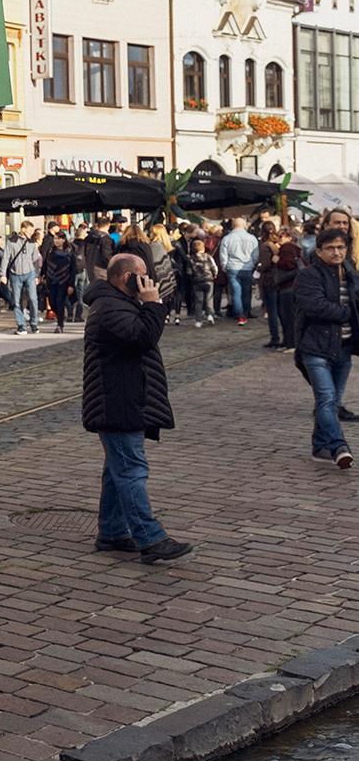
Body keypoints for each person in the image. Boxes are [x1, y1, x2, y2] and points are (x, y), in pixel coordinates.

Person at [81, 254, 193, 564]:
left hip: (125, 398)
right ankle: (151, 538)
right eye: (141, 275)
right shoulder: (109, 306)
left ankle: (112, 532)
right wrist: (154, 304)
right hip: (118, 401)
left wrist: (148, 305)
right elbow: (142, 337)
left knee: (117, 469)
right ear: (125, 277)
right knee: (131, 471)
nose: (147, 280)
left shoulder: (116, 302)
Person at [293, 228, 358, 469]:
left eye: (340, 247)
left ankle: (320, 447)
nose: (336, 252)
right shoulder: (309, 275)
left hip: (343, 348)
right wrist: (346, 314)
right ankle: (339, 446)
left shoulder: (350, 274)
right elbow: (314, 306)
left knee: (332, 401)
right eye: (330, 248)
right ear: (319, 251)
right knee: (327, 399)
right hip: (315, 347)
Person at [218, 217, 259, 326]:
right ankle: (246, 311)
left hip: (232, 267)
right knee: (247, 291)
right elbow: (255, 255)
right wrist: (252, 264)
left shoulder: (227, 238)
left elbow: (223, 255)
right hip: (247, 267)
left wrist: (224, 266)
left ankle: (239, 314)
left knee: (236, 292)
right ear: (244, 225)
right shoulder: (252, 238)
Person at [4, 223, 41, 334]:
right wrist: (2, 274)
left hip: (30, 273)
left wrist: (37, 275)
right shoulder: (12, 241)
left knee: (33, 299)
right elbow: (6, 257)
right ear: (23, 229)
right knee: (17, 301)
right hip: (15, 274)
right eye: (29, 230)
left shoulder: (31, 242)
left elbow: (35, 260)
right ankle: (21, 325)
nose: (31, 233)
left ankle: (34, 323)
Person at [42, 231, 78, 333]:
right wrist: (42, 275)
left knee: (60, 301)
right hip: (51, 280)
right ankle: (61, 316)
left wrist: (71, 285)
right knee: (52, 302)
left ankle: (60, 324)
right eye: (55, 239)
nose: (56, 241)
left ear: (63, 240)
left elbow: (72, 270)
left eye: (58, 239)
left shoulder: (69, 252)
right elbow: (46, 264)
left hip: (64, 281)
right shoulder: (50, 251)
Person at [256, 222, 283, 347]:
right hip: (279, 279)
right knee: (280, 310)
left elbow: (265, 265)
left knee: (272, 310)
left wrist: (258, 268)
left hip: (269, 280)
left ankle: (275, 338)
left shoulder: (265, 245)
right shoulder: (277, 244)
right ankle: (285, 336)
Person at [148, 223, 181, 325]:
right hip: (171, 272)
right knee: (170, 296)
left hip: (159, 275)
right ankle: (173, 316)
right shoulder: (168, 244)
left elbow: (155, 263)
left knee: (160, 297)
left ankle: (163, 316)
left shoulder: (155, 246)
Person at [190, 237, 217, 327]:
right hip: (208, 280)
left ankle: (198, 321)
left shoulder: (191, 259)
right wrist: (214, 275)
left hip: (197, 281)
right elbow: (214, 267)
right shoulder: (208, 257)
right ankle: (210, 315)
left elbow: (189, 272)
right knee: (209, 299)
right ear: (203, 248)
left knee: (198, 301)